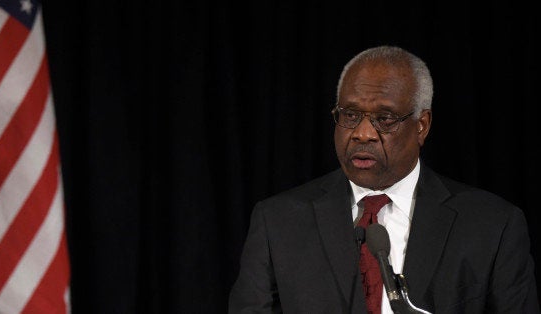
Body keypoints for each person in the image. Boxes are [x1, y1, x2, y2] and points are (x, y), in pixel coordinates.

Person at [228, 46, 540, 313]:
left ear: (422, 125)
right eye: (350, 115)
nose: (362, 133)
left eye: (384, 119)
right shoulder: (278, 222)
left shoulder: (493, 226)